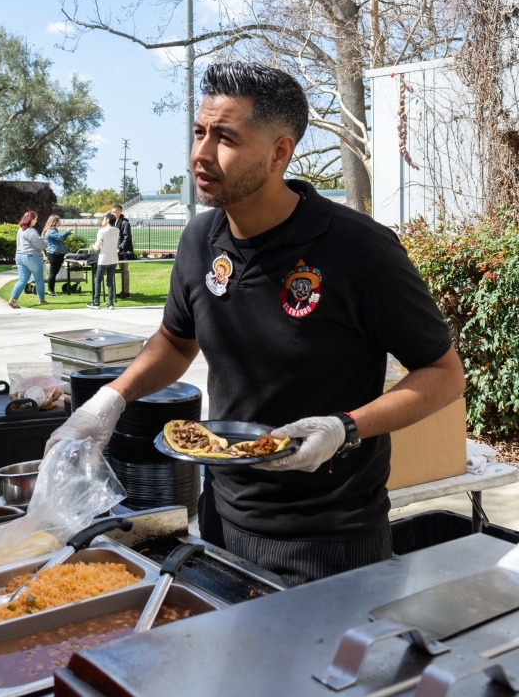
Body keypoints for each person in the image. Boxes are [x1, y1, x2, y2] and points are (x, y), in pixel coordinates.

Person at [47, 61, 465, 586]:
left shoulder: (360, 250)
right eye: (199, 132)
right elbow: (177, 342)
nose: (201, 153)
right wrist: (110, 400)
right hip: (222, 514)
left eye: (225, 138)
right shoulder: (199, 240)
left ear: (279, 153)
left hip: (328, 537)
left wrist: (345, 428)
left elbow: (444, 374)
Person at [7, 210, 48, 309]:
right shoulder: (31, 231)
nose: (36, 221)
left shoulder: (20, 230)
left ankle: (13, 299)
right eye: (36, 219)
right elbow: (40, 245)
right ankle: (41, 300)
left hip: (19, 257)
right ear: (31, 219)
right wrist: (45, 242)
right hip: (32, 257)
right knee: (39, 279)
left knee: (22, 280)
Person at [87, 212, 120, 310]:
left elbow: (97, 246)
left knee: (98, 279)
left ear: (108, 220)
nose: (102, 221)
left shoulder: (102, 231)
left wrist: (92, 247)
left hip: (104, 259)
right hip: (113, 258)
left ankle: (96, 302)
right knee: (110, 281)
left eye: (104, 219)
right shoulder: (117, 230)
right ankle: (110, 303)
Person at [41, 214, 72, 295]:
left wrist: (67, 234)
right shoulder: (51, 231)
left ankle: (51, 290)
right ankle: (51, 291)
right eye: (59, 220)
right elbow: (61, 238)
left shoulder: (51, 230)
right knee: (53, 273)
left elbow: (60, 239)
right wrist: (67, 231)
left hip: (55, 254)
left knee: (53, 273)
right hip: (55, 254)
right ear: (55, 222)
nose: (60, 222)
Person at [111, 203, 135, 298]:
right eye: (112, 212)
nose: (113, 213)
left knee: (124, 271)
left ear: (120, 212)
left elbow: (127, 237)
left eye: (115, 212)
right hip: (114, 250)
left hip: (124, 251)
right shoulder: (113, 222)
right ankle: (113, 292)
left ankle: (125, 292)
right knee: (112, 270)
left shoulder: (125, 222)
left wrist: (120, 248)